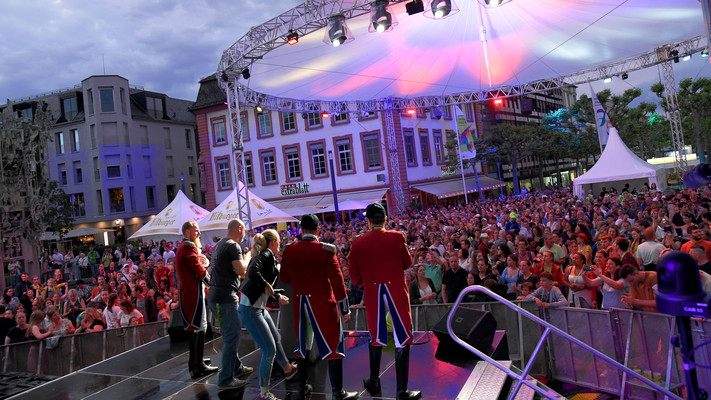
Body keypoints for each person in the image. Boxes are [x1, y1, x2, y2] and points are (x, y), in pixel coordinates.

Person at [280, 214, 358, 400]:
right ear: (317, 230)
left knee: (303, 344)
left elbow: (284, 278)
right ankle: (337, 392)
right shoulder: (325, 250)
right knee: (333, 345)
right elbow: (338, 283)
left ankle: (302, 387)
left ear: (301, 230)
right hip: (323, 304)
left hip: (301, 304)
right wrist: (344, 308)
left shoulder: (290, 250)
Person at [349, 203, 421, 400]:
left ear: (369, 220)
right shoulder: (397, 237)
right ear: (385, 219)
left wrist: (366, 285)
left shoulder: (358, 242)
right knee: (402, 337)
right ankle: (401, 391)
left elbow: (354, 277)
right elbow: (407, 263)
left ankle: (374, 381)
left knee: (376, 336)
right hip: (395, 291)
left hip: (373, 293)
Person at [239, 229, 297, 400]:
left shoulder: (269, 257)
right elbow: (252, 272)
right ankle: (264, 392)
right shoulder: (265, 255)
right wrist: (266, 285)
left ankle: (287, 368)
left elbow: (265, 287)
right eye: (278, 242)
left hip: (258, 308)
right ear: (273, 243)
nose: (280, 245)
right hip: (250, 310)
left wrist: (278, 294)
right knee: (269, 349)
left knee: (275, 338)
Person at [207, 219, 254, 391]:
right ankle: (226, 378)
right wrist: (248, 255)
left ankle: (236, 368)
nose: (244, 235)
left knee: (230, 335)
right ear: (239, 229)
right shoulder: (234, 246)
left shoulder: (219, 244)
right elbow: (242, 271)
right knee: (231, 336)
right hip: (224, 297)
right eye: (244, 231)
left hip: (218, 296)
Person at [176, 221, 218, 380]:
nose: (199, 233)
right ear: (187, 232)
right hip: (193, 293)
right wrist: (213, 284)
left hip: (190, 292)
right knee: (199, 327)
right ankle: (198, 367)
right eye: (196, 231)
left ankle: (195, 361)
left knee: (197, 328)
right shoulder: (188, 247)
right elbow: (199, 271)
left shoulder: (183, 246)